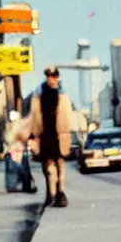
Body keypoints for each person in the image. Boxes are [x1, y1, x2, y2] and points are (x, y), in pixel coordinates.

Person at [28, 66, 73, 208]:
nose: (52, 79)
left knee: (60, 164)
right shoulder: (38, 95)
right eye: (49, 76)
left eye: (54, 76)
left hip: (60, 134)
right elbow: (34, 117)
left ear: (57, 77)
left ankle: (60, 192)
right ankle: (51, 193)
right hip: (45, 134)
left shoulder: (63, 95)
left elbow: (67, 116)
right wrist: (33, 135)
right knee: (48, 166)